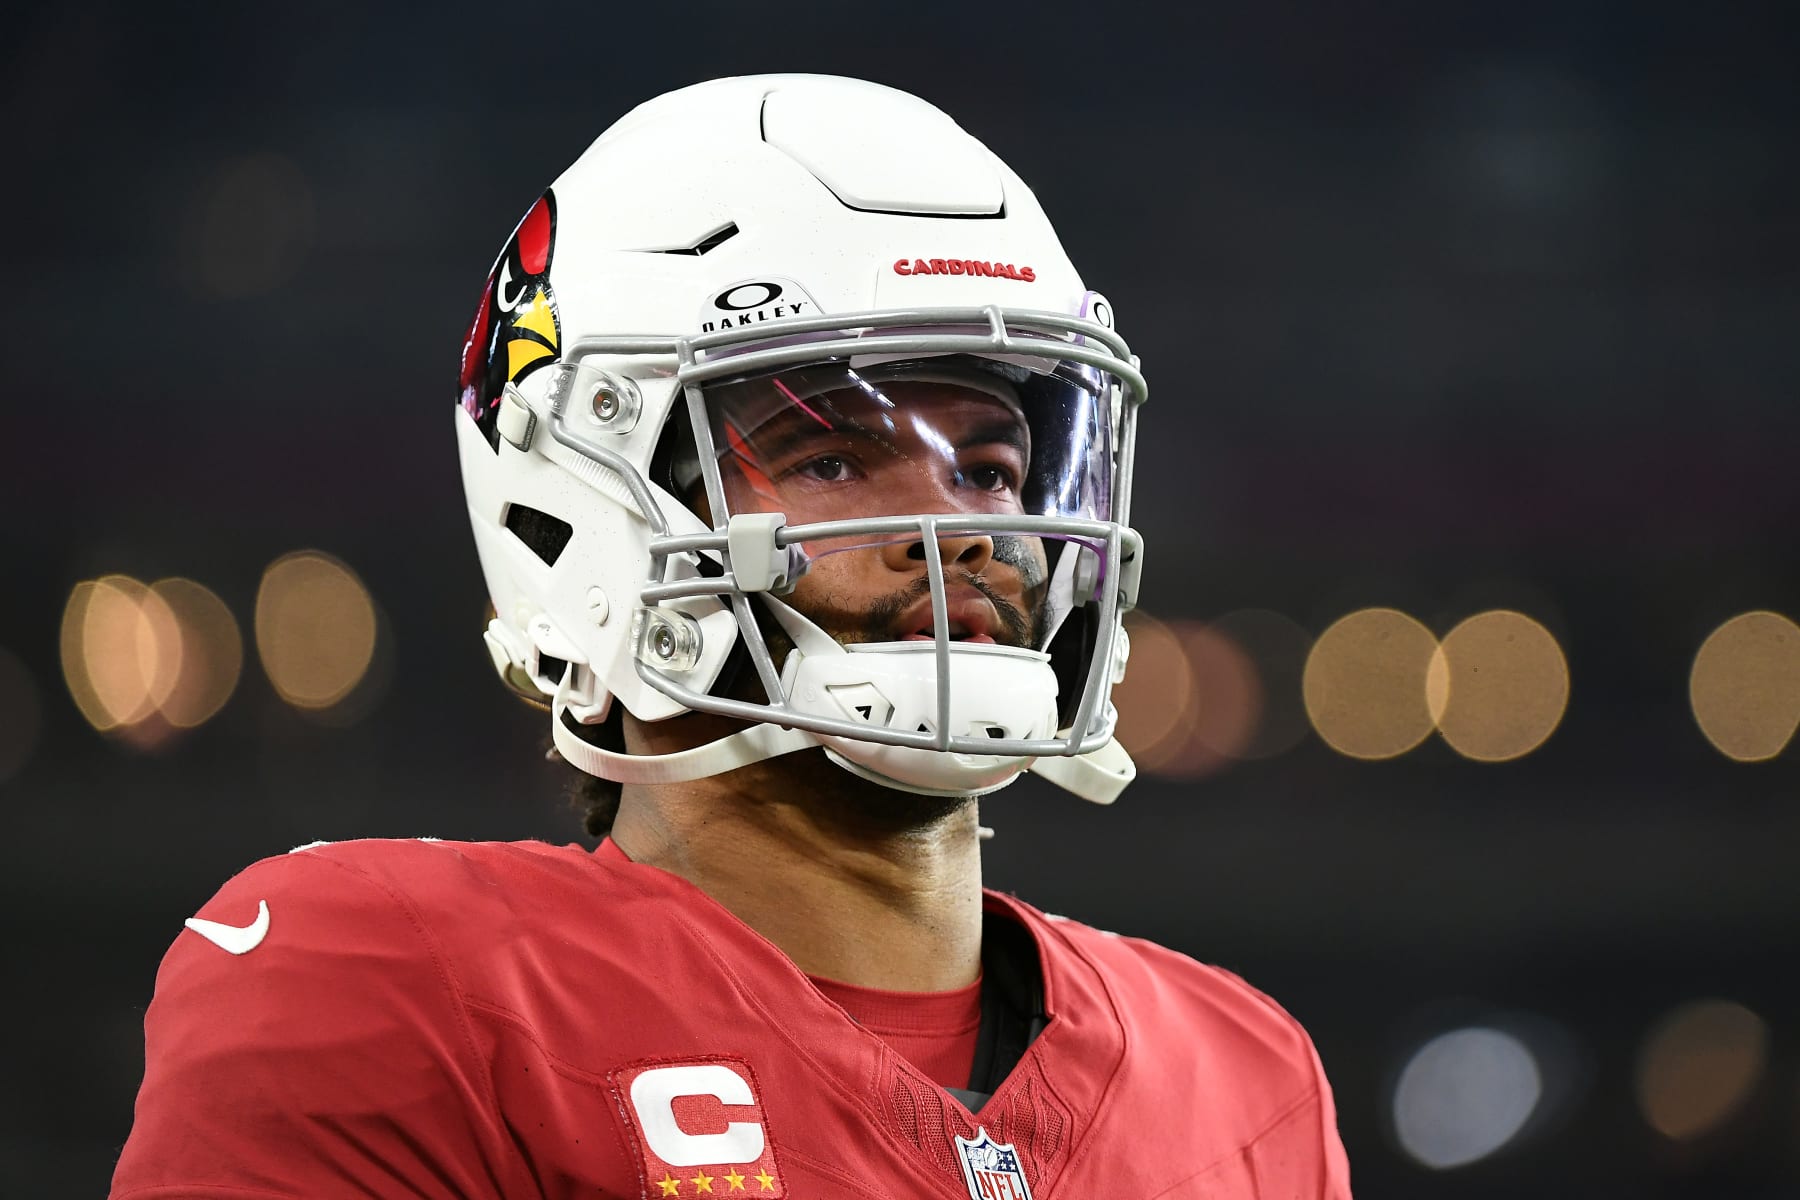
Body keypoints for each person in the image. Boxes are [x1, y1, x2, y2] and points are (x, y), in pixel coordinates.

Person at [112, 74, 1351, 1199]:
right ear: (587, 507)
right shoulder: (395, 987)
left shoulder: (1245, 1081)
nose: (965, 531)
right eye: (830, 455)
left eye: (988, 465)